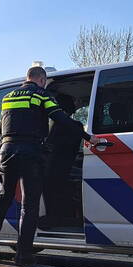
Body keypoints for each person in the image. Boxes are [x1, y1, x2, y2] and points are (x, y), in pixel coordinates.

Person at [0, 66, 94, 265]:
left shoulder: (8, 97)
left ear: (27, 78)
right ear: (42, 80)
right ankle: (23, 254)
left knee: (2, 197)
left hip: (6, 151)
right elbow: (60, 118)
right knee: (29, 204)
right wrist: (88, 137)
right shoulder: (42, 95)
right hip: (30, 152)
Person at [41, 93, 87, 229]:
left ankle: (52, 219)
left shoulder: (55, 127)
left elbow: (49, 147)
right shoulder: (77, 126)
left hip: (54, 169)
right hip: (67, 167)